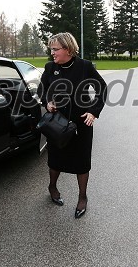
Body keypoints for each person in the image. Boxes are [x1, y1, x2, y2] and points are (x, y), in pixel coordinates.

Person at [39, 32, 107, 219]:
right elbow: (42, 90)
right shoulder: (50, 67)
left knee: (82, 160)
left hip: (81, 123)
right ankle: (52, 186)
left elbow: (101, 88)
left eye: (55, 49)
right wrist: (47, 102)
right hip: (57, 123)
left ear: (67, 49)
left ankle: (82, 197)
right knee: (55, 158)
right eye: (51, 49)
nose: (52, 53)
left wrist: (94, 111)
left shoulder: (85, 66)